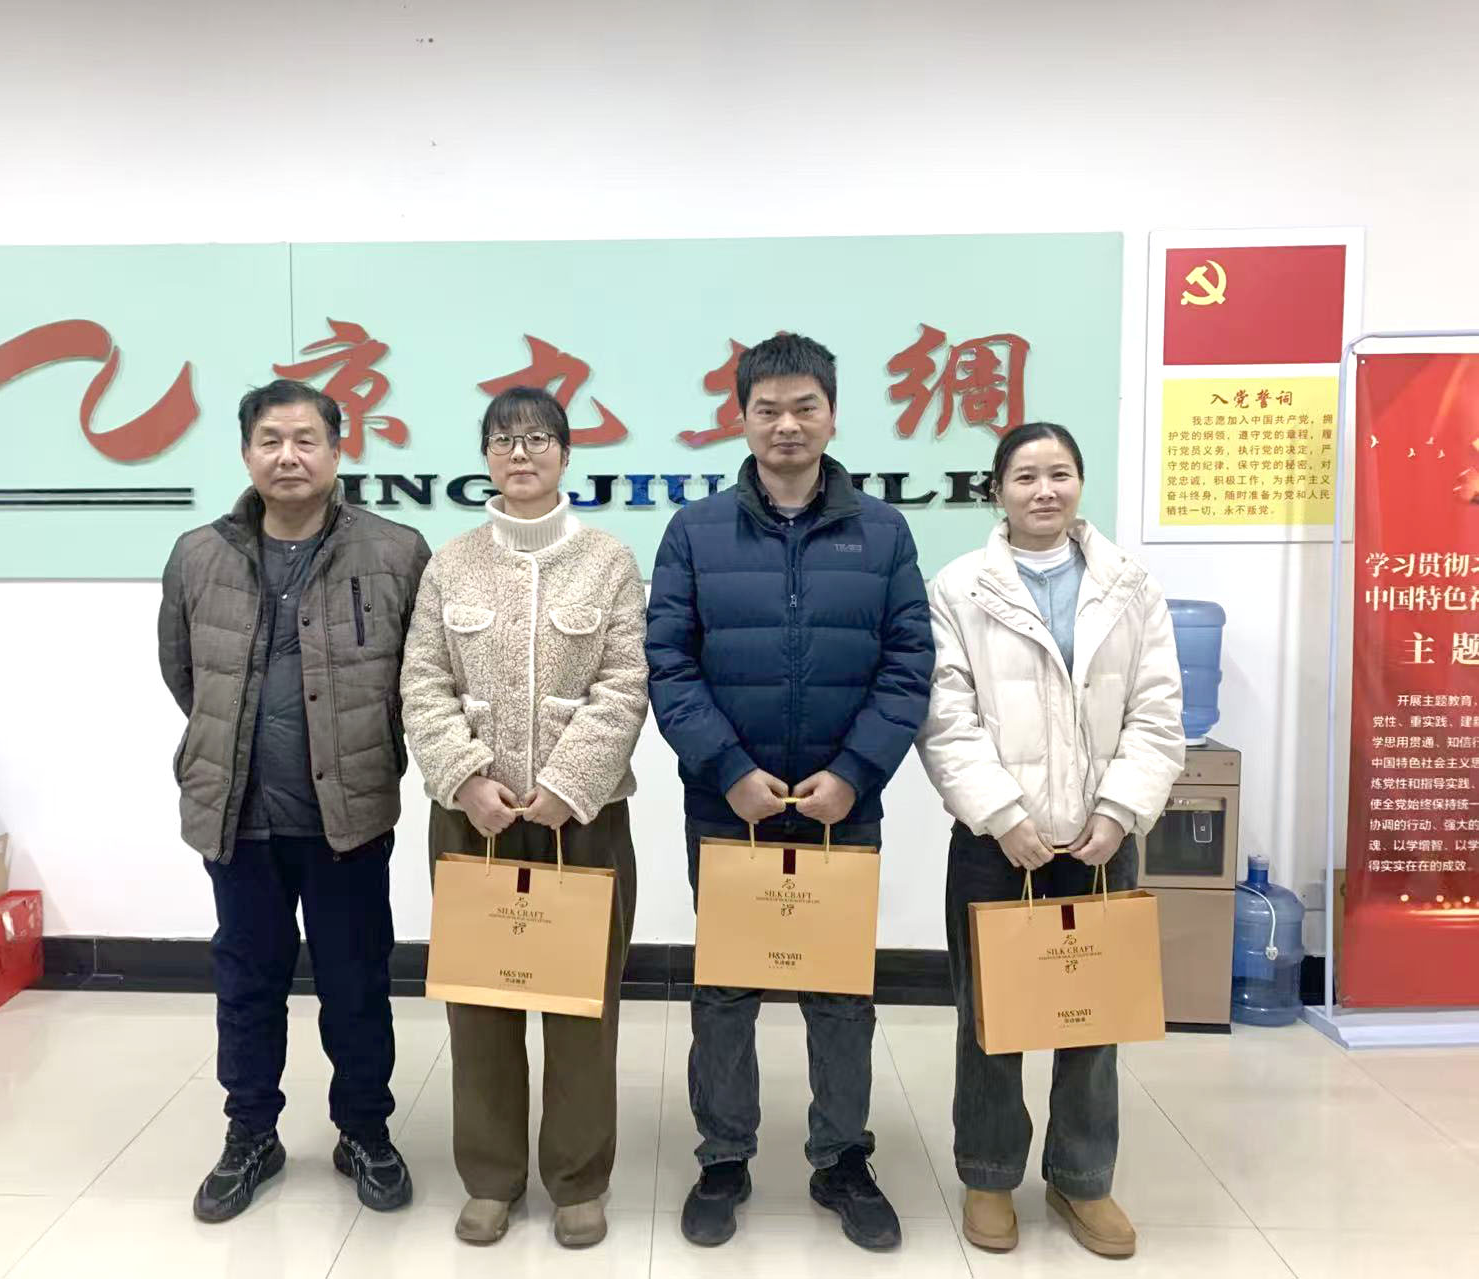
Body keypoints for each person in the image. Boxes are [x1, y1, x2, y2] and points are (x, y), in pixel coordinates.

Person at [645, 333, 934, 1251]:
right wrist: (728, 770)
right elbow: (667, 662)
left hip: (842, 806)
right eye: (767, 408)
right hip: (728, 805)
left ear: (833, 415)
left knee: (839, 988)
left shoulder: (883, 532)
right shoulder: (695, 531)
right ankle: (724, 1155)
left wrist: (854, 774)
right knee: (727, 985)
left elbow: (909, 664)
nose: (786, 424)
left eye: (805, 406)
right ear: (741, 418)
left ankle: (841, 1156)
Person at [158, 378, 430, 1224]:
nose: (288, 456)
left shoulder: (395, 552)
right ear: (246, 453)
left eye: (306, 439)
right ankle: (251, 1135)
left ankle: (365, 1131)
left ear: (338, 450)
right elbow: (183, 672)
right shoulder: (198, 555)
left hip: (347, 814)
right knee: (247, 983)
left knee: (357, 981)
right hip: (238, 814)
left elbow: (419, 681)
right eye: (270, 440)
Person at [918, 421, 1183, 1260]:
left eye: (1060, 473)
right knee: (990, 1018)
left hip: (1102, 839)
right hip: (998, 843)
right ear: (996, 489)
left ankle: (1082, 1177)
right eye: (1026, 475)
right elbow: (945, 717)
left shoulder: (1129, 585)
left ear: (1079, 484)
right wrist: (1003, 814)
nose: (1044, 490)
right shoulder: (958, 589)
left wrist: (1120, 810)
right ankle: (989, 1173)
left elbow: (1157, 709)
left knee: (1093, 1017)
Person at [400, 386, 648, 1249]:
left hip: (584, 819)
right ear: (486, 457)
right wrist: (466, 778)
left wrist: (571, 784)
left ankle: (578, 1179)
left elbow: (626, 684)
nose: (521, 453)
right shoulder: (450, 563)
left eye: (538, 438)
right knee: (480, 1004)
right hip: (475, 820)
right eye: (504, 440)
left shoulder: (608, 560)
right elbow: (422, 681)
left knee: (582, 1006)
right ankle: (491, 1177)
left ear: (566, 454)